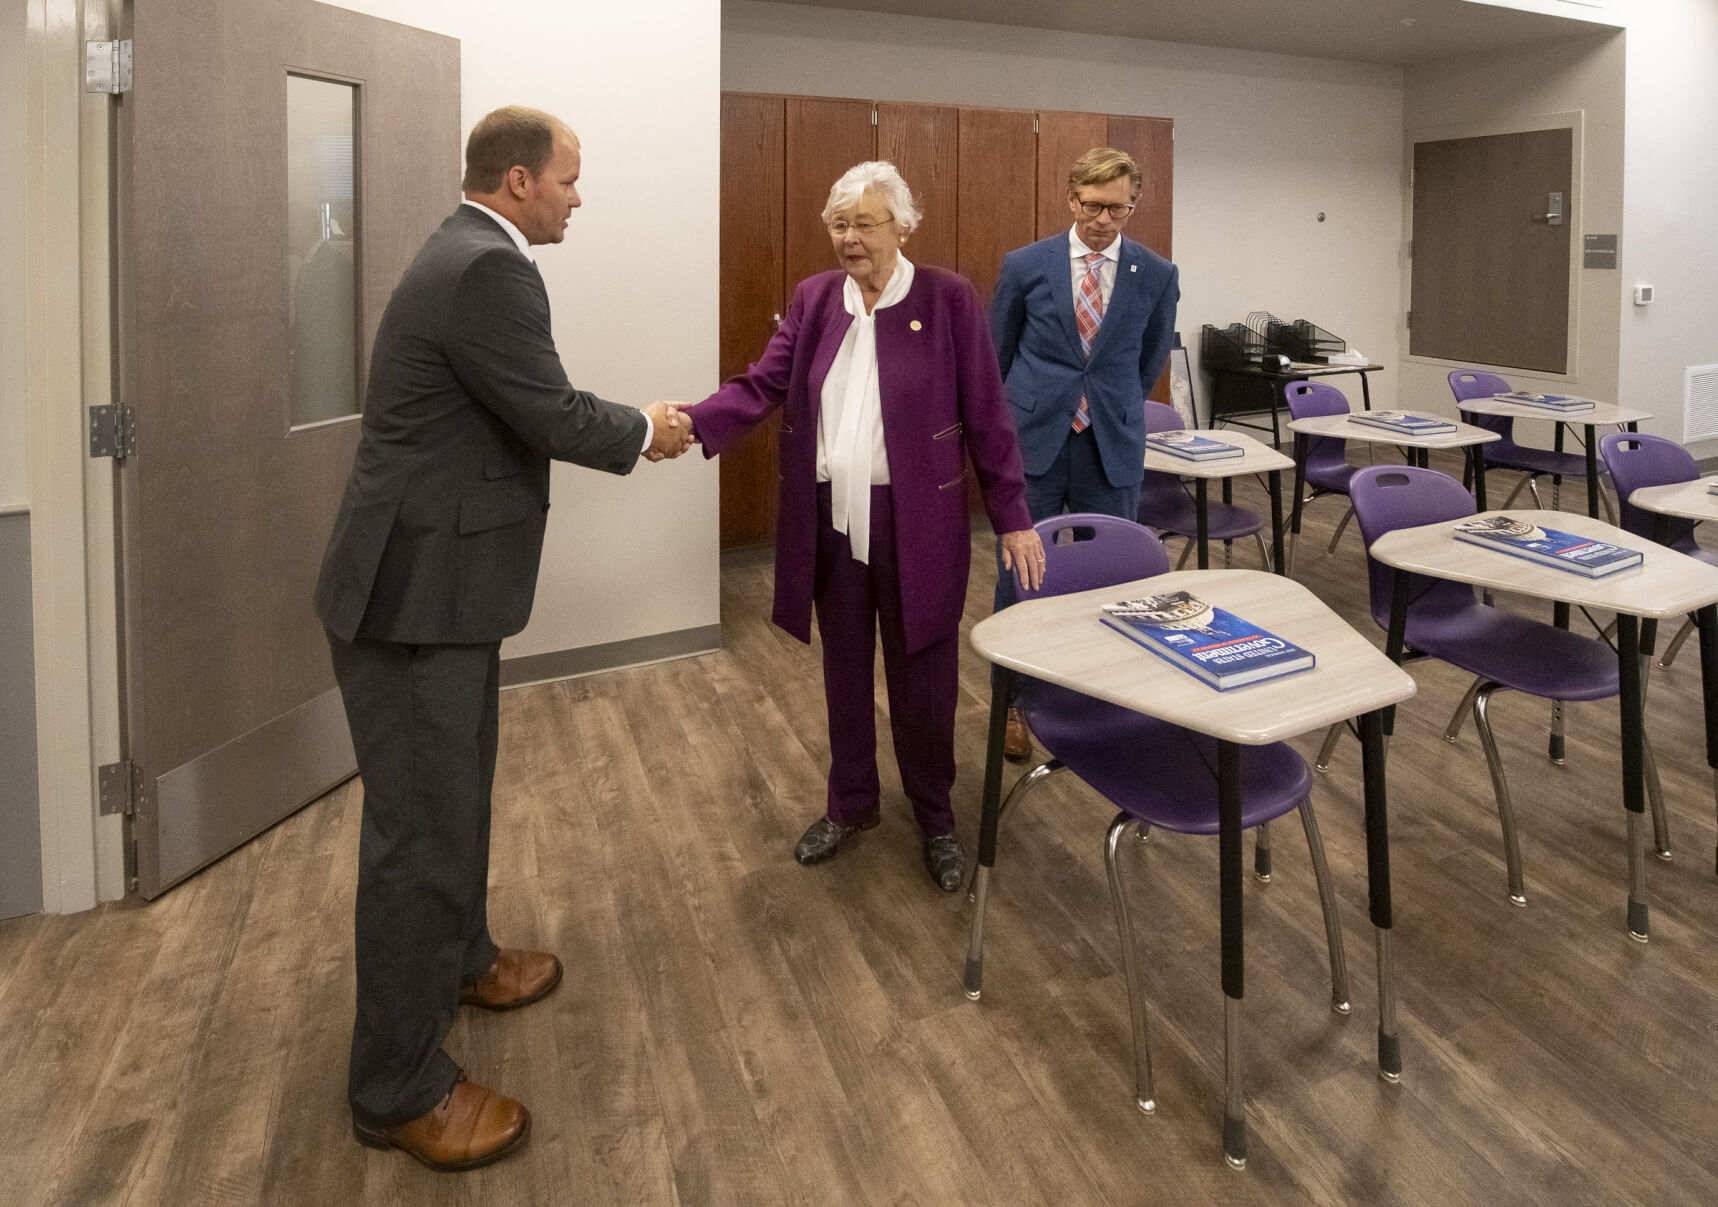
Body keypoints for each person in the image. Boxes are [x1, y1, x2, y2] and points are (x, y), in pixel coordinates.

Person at [313, 106, 693, 1173]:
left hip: (445, 591)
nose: (578, 197)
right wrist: (648, 428)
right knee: (418, 837)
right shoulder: (488, 269)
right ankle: (396, 1087)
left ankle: (462, 958)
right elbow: (551, 411)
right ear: (518, 181)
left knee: (457, 796)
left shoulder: (466, 252)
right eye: (569, 179)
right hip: (413, 600)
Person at [683, 161, 1044, 892]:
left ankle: (935, 816)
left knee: (925, 676)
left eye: (865, 223)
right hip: (832, 522)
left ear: (902, 227)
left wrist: (1013, 519)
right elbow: (764, 382)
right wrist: (692, 422)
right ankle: (850, 804)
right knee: (844, 672)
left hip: (919, 522)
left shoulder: (947, 298)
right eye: (839, 224)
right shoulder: (816, 297)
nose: (850, 238)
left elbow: (987, 413)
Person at [989, 146, 1179, 760]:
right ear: (1072, 198)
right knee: (1021, 573)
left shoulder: (1156, 274)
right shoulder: (1026, 264)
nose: (1103, 219)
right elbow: (997, 354)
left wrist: (1109, 404)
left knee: (1115, 574)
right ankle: (1013, 703)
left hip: (1109, 442)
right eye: (1093, 205)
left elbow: (1149, 360)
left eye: (1117, 209)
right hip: (1035, 440)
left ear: (1133, 205)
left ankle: (1106, 694)